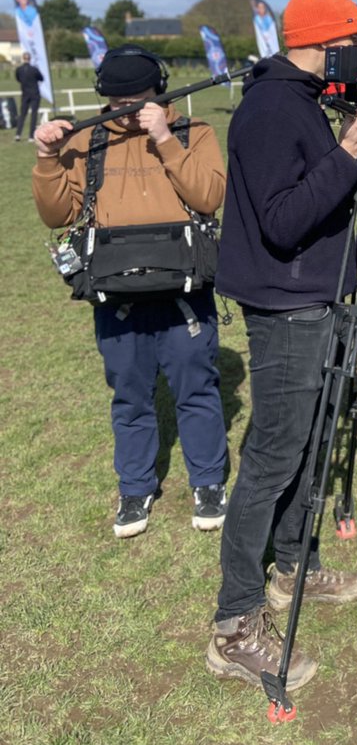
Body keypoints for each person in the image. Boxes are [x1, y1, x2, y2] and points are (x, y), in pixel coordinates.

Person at [207, 0, 357, 693]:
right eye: (354, 43)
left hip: (314, 295)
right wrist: (349, 150)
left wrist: (356, 151)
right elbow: (283, 220)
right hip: (286, 309)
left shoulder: (301, 100)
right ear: (326, 42)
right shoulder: (274, 107)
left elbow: (324, 197)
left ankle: (292, 566)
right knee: (275, 456)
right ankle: (234, 625)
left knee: (308, 442)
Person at [31, 45, 229, 538]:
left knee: (197, 388)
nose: (127, 112)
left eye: (138, 100)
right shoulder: (84, 139)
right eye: (118, 102)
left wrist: (163, 137)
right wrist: (47, 158)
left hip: (184, 288)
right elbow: (58, 215)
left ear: (160, 91)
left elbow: (209, 196)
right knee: (130, 396)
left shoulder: (194, 131)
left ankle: (208, 481)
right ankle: (135, 486)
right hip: (116, 296)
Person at [15, 52, 43, 141]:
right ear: (30, 59)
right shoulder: (34, 69)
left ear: (23, 58)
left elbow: (18, 79)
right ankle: (31, 136)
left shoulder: (19, 69)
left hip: (25, 94)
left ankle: (18, 134)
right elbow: (41, 78)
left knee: (22, 114)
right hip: (34, 93)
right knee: (34, 114)